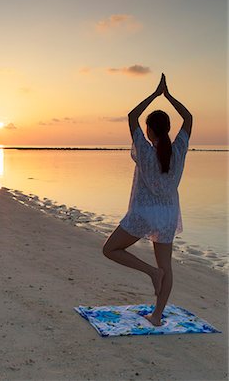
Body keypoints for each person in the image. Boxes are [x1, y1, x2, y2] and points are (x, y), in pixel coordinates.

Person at [102, 73, 193, 326]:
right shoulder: (179, 149)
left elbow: (132, 117)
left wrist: (155, 94)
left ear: (149, 130)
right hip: (167, 216)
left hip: (143, 213)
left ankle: (151, 272)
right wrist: (169, 96)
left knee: (110, 249)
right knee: (168, 267)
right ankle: (156, 316)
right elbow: (189, 118)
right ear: (168, 130)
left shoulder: (144, 149)